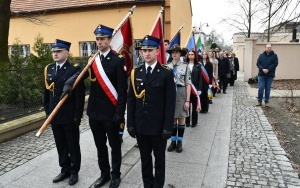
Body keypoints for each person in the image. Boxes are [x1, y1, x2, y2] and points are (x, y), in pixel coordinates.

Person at [62, 24, 128, 188]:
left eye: (102, 39)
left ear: (109, 40)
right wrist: (69, 83)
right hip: (94, 113)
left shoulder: (118, 60)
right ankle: (104, 174)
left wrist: (120, 113)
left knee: (114, 146)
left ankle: (115, 175)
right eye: (97, 39)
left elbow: (122, 90)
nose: (99, 42)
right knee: (100, 147)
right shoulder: (93, 59)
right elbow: (80, 75)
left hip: (111, 113)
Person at [127, 35, 176, 188]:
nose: (146, 53)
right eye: (144, 50)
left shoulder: (166, 73)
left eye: (150, 50)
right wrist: (130, 123)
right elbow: (131, 100)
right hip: (141, 125)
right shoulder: (136, 73)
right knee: (145, 159)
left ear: (157, 51)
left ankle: (158, 185)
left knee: (159, 160)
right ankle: (147, 184)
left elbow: (170, 102)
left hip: (159, 127)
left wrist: (168, 126)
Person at [44, 39, 85, 186]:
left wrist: (77, 116)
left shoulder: (74, 70)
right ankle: (64, 169)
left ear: (66, 53)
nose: (55, 54)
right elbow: (47, 93)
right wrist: (47, 112)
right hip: (55, 116)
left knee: (72, 144)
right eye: (54, 51)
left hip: (69, 115)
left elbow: (79, 96)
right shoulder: (49, 69)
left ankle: (74, 171)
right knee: (60, 144)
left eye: (58, 51)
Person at [166, 44, 191, 153]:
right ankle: (173, 141)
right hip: (170, 93)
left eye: (176, 52)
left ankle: (179, 142)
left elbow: (188, 84)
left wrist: (187, 100)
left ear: (180, 54)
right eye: (173, 52)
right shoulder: (167, 67)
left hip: (181, 93)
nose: (174, 54)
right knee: (172, 119)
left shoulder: (185, 67)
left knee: (181, 119)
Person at [185, 50, 202, 127]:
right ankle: (187, 122)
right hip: (187, 88)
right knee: (187, 106)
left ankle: (194, 122)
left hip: (195, 88)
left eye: (192, 54)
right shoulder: (185, 65)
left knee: (195, 106)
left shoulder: (198, 65)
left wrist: (199, 89)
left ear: (195, 56)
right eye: (189, 55)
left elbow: (200, 78)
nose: (190, 56)